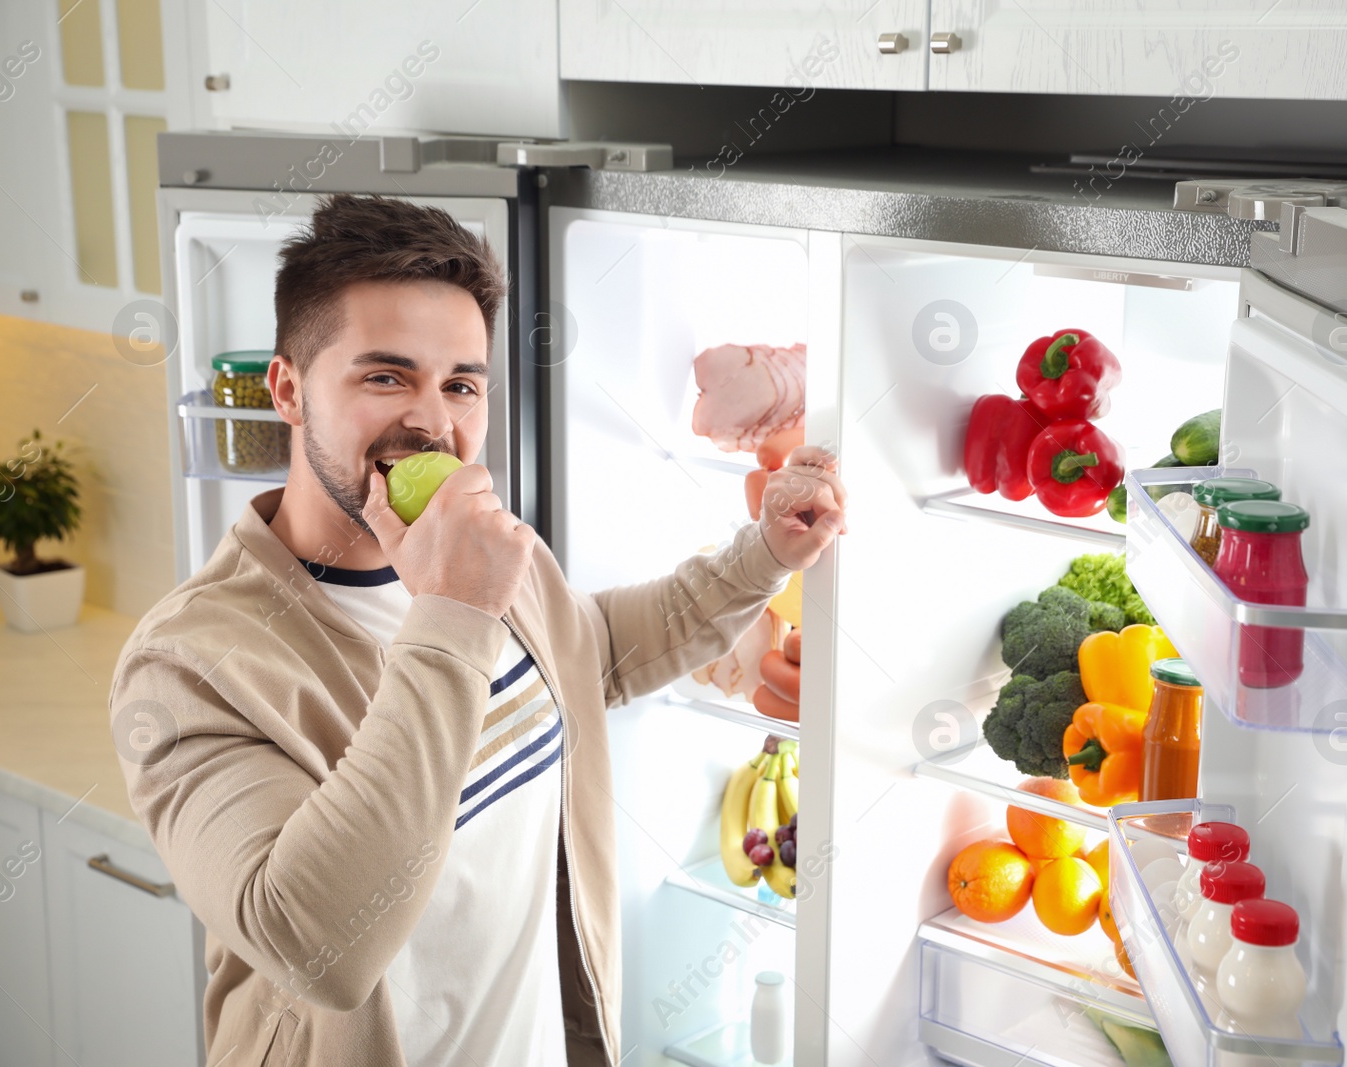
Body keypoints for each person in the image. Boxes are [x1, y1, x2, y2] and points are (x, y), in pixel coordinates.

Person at [108, 193, 847, 1067]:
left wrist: (764, 551)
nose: (432, 422)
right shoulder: (191, 667)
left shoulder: (488, 552)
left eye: (460, 384)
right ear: (288, 390)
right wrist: (453, 613)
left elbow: (589, 655)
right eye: (385, 376)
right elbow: (315, 944)